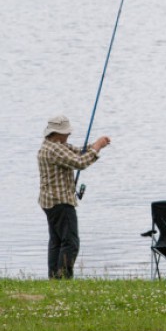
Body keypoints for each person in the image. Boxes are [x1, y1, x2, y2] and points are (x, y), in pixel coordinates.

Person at [37, 114, 111, 279]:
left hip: (49, 202)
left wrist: (95, 145)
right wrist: (97, 147)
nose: (68, 135)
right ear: (57, 133)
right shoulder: (55, 149)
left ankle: (54, 278)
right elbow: (80, 163)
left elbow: (78, 152)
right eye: (66, 132)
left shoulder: (51, 145)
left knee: (56, 242)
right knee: (71, 243)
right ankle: (63, 278)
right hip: (60, 202)